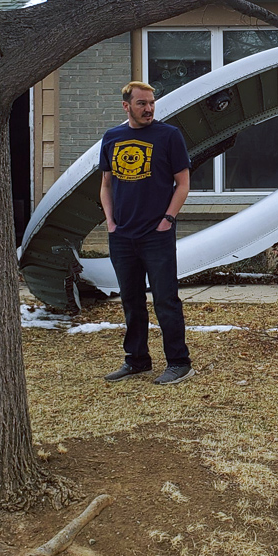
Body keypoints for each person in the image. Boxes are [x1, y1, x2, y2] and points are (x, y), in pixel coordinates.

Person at [100, 81, 194, 386]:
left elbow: (183, 183)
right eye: (142, 103)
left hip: (157, 234)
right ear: (126, 106)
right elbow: (105, 185)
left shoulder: (169, 136)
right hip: (123, 236)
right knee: (131, 300)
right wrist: (111, 224)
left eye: (152, 102)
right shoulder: (112, 138)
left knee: (166, 300)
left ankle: (179, 362)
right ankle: (137, 360)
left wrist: (168, 219)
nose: (149, 108)